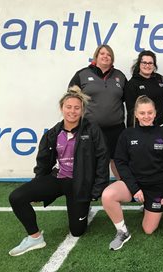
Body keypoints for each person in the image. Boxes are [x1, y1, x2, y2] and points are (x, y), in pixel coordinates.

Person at [8, 86, 109, 256]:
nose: (72, 111)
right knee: (16, 197)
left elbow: (102, 159)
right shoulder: (54, 133)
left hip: (80, 183)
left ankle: (84, 206)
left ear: (82, 110)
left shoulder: (92, 130)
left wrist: (96, 189)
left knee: (77, 231)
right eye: (68, 107)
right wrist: (38, 184)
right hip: (59, 178)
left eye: (77, 108)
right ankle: (35, 238)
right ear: (62, 108)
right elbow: (43, 161)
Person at [101, 95, 163, 250]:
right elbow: (120, 162)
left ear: (155, 113)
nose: (146, 116)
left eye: (150, 112)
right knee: (108, 195)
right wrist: (134, 188)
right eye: (142, 113)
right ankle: (122, 232)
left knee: (148, 230)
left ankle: (149, 207)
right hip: (133, 185)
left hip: (156, 187)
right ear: (135, 114)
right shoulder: (127, 135)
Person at [69, 44, 126, 179]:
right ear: (96, 56)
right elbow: (71, 100)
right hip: (91, 128)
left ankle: (124, 186)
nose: (106, 56)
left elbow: (127, 100)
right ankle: (92, 189)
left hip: (116, 129)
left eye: (109, 55)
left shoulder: (120, 76)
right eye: (102, 54)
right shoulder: (82, 74)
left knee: (118, 160)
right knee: (92, 160)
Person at [124, 50, 163, 127]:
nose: (147, 66)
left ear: (154, 65)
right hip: (142, 127)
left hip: (160, 125)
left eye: (150, 63)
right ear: (139, 64)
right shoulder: (132, 84)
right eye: (144, 63)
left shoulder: (159, 78)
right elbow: (131, 111)